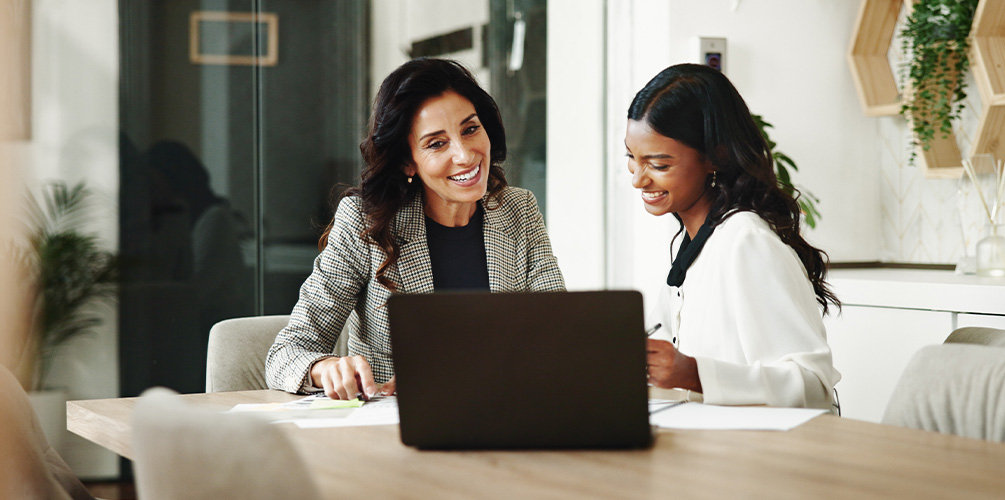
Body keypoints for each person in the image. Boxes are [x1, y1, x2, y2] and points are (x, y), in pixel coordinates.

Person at [265, 58, 566, 400]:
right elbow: (287, 352)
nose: (466, 156)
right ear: (407, 161)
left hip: (501, 422)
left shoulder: (518, 210)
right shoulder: (364, 223)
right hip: (395, 436)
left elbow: (556, 337)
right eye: (437, 143)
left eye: (470, 129)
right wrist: (327, 368)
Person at [627, 63, 840, 410]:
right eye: (632, 159)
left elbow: (813, 386)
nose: (638, 179)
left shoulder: (747, 242)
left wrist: (693, 373)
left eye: (659, 165)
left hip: (769, 456)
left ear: (715, 157)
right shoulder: (693, 245)